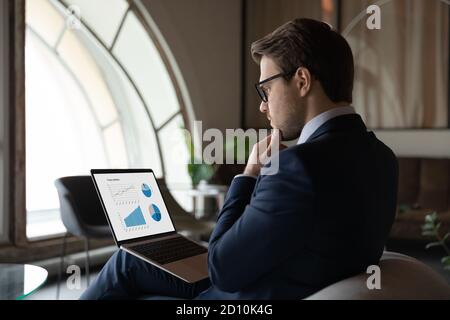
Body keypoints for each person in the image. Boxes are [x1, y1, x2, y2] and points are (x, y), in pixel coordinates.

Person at [80, 18, 398, 300]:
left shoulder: (297, 167)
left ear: (302, 81)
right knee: (132, 259)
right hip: (273, 278)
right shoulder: (383, 159)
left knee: (125, 269)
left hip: (242, 294)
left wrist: (248, 174)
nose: (263, 106)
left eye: (266, 90)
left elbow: (221, 269)